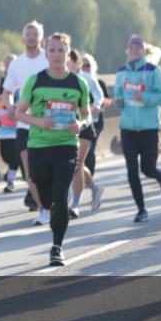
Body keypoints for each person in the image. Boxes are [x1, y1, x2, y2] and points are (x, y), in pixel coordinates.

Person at [14, 33, 91, 265]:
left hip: (66, 146)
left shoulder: (79, 83)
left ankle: (57, 247)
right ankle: (49, 209)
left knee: (60, 197)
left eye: (61, 51)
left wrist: (80, 124)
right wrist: (40, 122)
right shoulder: (35, 81)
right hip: (39, 145)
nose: (57, 55)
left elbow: (87, 115)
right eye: (53, 51)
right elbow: (19, 113)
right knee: (45, 196)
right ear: (46, 54)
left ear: (68, 55)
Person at [114, 35, 161, 222]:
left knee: (147, 168)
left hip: (148, 128)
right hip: (128, 128)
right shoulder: (121, 72)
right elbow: (119, 95)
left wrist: (145, 97)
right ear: (127, 51)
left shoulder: (153, 71)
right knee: (132, 169)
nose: (134, 50)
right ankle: (141, 209)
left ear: (143, 50)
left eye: (138, 47)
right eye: (131, 47)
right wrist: (118, 101)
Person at [1, 22, 50, 223]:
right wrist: (10, 106)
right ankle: (43, 209)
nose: (31, 37)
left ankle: (55, 200)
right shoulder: (17, 63)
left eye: (35, 34)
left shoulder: (49, 58)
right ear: (22, 39)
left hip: (48, 123)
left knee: (50, 169)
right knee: (30, 172)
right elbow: (7, 91)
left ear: (41, 38)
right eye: (28, 34)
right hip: (24, 125)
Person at [68, 49, 105, 216]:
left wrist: (95, 107)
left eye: (70, 61)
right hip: (67, 127)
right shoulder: (58, 80)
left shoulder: (86, 78)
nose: (66, 63)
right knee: (76, 165)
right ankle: (95, 188)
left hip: (84, 125)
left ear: (78, 64)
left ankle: (75, 204)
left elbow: (99, 95)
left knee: (77, 165)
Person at [0, 55, 20, 193]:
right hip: (4, 121)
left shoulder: (22, 78)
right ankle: (12, 170)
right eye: (7, 63)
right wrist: (2, 97)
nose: (9, 65)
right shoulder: (1, 80)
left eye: (12, 62)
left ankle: (10, 180)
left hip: (19, 120)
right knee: (5, 153)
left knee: (15, 152)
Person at [81, 53, 109, 176]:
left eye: (87, 65)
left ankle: (89, 175)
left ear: (93, 66)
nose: (85, 68)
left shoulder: (98, 82)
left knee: (90, 148)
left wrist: (98, 105)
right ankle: (82, 174)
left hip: (96, 121)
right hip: (82, 119)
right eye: (82, 65)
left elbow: (105, 98)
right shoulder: (77, 80)